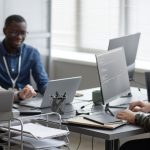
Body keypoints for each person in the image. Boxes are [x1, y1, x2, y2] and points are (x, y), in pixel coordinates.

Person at [0, 14, 49, 98]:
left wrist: (53, 93)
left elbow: (43, 82)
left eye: (23, 33)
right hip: (2, 101)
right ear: (5, 31)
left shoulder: (32, 52)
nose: (19, 37)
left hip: (26, 102)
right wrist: (17, 95)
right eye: (14, 32)